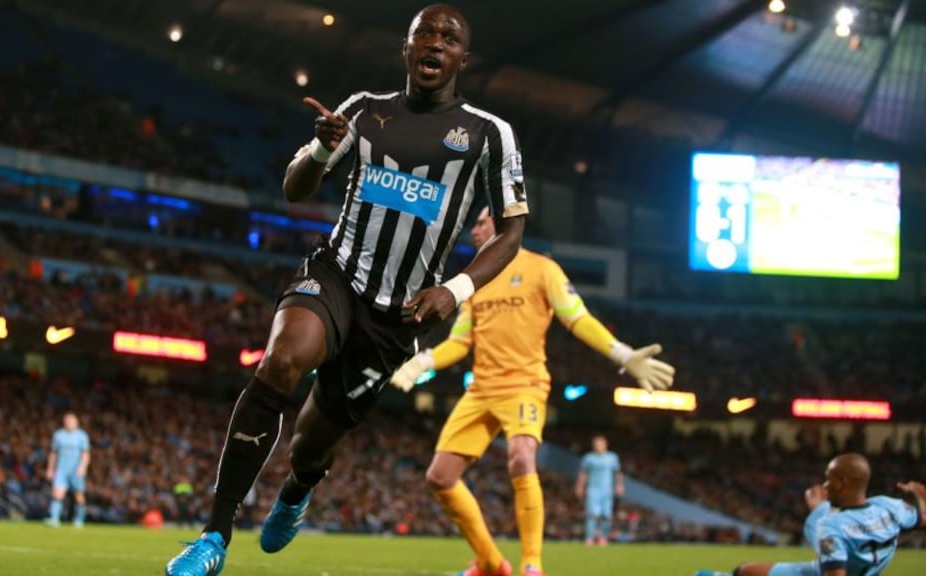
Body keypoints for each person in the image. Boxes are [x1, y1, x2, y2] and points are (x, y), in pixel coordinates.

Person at [165, 5, 527, 575]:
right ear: (407, 50)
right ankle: (213, 536)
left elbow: (511, 232)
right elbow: (294, 188)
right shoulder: (363, 109)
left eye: (448, 37)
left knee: (311, 444)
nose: (435, 43)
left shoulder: (488, 134)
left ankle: (298, 488)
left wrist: (455, 289)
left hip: (398, 316)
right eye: (423, 34)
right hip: (336, 275)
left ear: (463, 58)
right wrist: (318, 149)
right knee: (280, 363)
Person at [389, 208, 674, 576]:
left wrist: (622, 354)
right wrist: (422, 362)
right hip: (481, 389)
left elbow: (577, 318)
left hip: (525, 385)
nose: (473, 230)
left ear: (503, 224)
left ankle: (532, 566)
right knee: (439, 476)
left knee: (522, 457)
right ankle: (492, 564)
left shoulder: (543, 269)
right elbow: (460, 343)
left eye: (481, 222)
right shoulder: (474, 279)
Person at [695, 453, 926, 576]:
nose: (825, 485)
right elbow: (922, 519)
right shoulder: (890, 507)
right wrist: (920, 497)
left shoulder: (831, 526)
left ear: (842, 482)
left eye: (829, 478)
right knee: (745, 571)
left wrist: (818, 511)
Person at [575, 435, 624, 546]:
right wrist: (579, 486)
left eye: (600, 444)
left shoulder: (612, 457)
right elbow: (583, 473)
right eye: (596, 444)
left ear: (605, 445)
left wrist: (619, 485)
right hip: (593, 489)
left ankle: (603, 537)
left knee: (607, 514)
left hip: (607, 490)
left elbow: (618, 472)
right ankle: (589, 538)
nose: (598, 446)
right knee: (592, 514)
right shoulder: (588, 458)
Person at [45, 412, 90, 528]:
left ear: (76, 422)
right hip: (61, 469)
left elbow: (85, 453)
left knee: (78, 494)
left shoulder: (81, 435)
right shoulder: (59, 435)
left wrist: (83, 467)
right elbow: (54, 453)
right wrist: (50, 469)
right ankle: (54, 519)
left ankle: (79, 520)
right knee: (57, 493)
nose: (69, 423)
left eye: (72, 421)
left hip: (75, 469)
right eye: (67, 421)